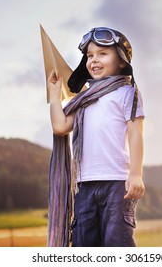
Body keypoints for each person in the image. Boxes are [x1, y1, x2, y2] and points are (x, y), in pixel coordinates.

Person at [47, 27, 145, 247]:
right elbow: (60, 126)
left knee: (116, 244)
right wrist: (55, 94)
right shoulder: (84, 99)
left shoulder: (128, 93)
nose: (94, 60)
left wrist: (136, 174)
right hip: (84, 185)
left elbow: (135, 132)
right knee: (84, 246)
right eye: (90, 55)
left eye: (102, 53)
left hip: (117, 183)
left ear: (121, 60)